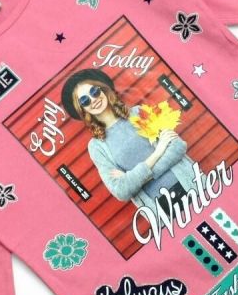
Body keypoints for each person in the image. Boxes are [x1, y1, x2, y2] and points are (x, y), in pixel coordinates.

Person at [60, 68, 204, 217]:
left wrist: (135, 177)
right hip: (162, 209)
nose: (93, 99)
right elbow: (121, 191)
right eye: (85, 100)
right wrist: (158, 152)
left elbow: (178, 147)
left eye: (94, 92)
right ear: (82, 109)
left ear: (103, 90)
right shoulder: (97, 147)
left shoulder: (138, 112)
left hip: (190, 182)